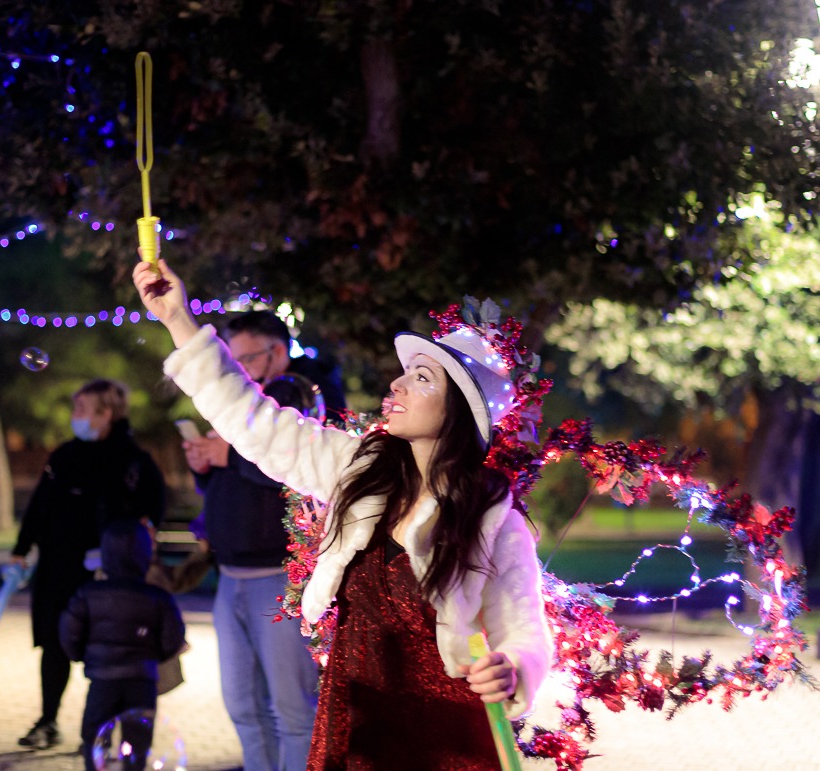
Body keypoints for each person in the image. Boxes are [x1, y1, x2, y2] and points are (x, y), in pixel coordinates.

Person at [133, 258, 552, 769]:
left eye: (420, 379)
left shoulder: (492, 520)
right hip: (355, 721)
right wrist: (178, 319)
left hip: (446, 736)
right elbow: (255, 422)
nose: (395, 387)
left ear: (460, 413)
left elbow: (526, 628)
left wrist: (513, 667)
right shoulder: (357, 469)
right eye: (401, 375)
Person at [179, 310, 346, 771]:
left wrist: (228, 456)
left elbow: (301, 475)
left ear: (276, 351)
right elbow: (230, 490)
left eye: (243, 358)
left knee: (292, 712)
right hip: (230, 575)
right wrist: (207, 469)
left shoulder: (307, 395)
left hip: (279, 575)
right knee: (243, 708)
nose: (237, 369)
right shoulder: (244, 410)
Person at [11, 379, 166, 750]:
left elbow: (151, 513)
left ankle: (102, 731)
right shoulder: (64, 456)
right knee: (54, 644)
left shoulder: (134, 462)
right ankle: (47, 720)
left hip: (109, 575)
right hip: (58, 567)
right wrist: (21, 547)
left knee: (109, 651)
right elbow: (39, 505)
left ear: (106, 414)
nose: (74, 416)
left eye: (82, 409)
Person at [59, 519, 187, 771]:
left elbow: (69, 631)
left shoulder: (88, 593)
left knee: (94, 735)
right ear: (144, 554)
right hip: (142, 680)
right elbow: (173, 637)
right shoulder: (157, 597)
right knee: (137, 741)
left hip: (102, 678)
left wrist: (82, 656)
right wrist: (153, 657)